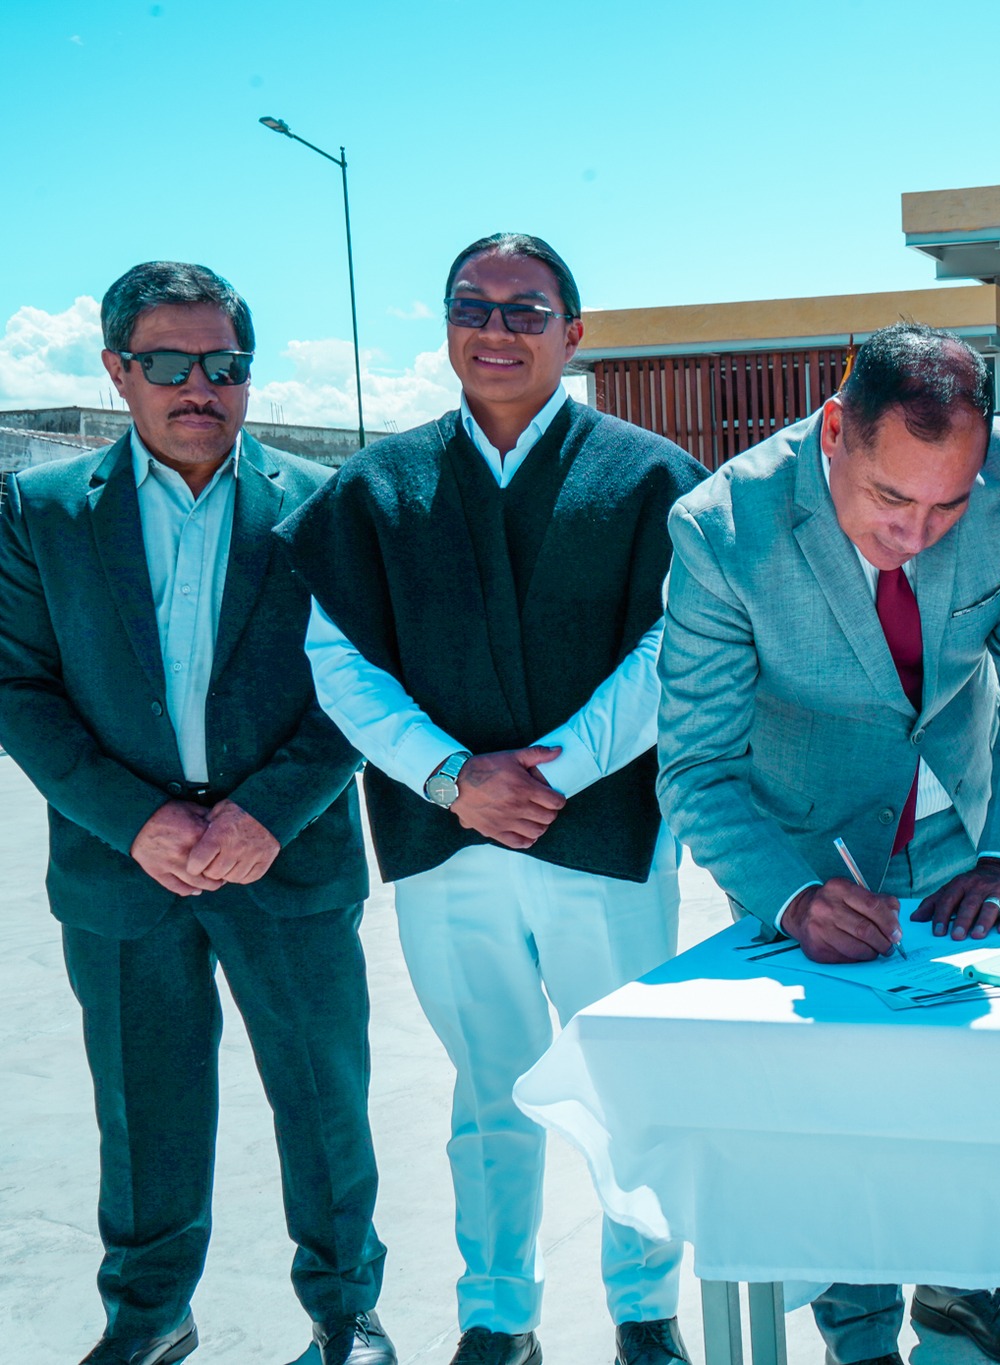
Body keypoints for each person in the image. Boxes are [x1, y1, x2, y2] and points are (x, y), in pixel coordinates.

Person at [274, 234, 707, 1365]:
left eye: (526, 310)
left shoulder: (650, 477)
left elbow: (676, 645)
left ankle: (645, 1308)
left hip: (603, 836)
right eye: (473, 306)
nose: (497, 329)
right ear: (447, 325)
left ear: (575, 333)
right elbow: (340, 661)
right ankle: (498, 1315)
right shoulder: (378, 488)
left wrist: (555, 769)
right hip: (445, 839)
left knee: (624, 1080)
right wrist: (454, 777)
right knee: (489, 1087)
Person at [657, 323, 1000, 1365]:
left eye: (947, 507)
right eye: (893, 500)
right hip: (804, 852)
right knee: (836, 1105)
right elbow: (697, 768)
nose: (919, 534)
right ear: (835, 432)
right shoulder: (722, 528)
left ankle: (966, 1290)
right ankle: (859, 1335)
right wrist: (791, 898)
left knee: (972, 1081)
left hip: (961, 828)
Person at [0, 263, 392, 1365]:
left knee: (324, 1101)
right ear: (117, 370)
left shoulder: (325, 504)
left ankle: (345, 1313)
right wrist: (134, 820)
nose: (198, 385)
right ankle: (148, 1317)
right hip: (122, 872)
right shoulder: (39, 511)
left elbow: (363, 683)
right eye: (167, 362)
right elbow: (18, 684)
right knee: (143, 1110)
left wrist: (268, 812)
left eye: (224, 363)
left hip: (288, 862)